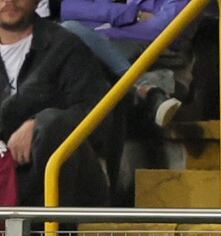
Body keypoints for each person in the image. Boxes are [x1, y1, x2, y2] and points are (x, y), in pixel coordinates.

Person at [0, 0, 112, 207]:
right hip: (5, 180)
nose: (8, 2)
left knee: (52, 124)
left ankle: (48, 232)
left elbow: (97, 113)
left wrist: (37, 124)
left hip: (63, 182)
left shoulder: (66, 46)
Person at [60, 0, 191, 129]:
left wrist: (103, 31)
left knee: (70, 30)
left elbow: (161, 30)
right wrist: (133, 14)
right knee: (67, 34)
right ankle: (146, 88)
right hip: (99, 40)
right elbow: (68, 8)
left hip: (136, 44)